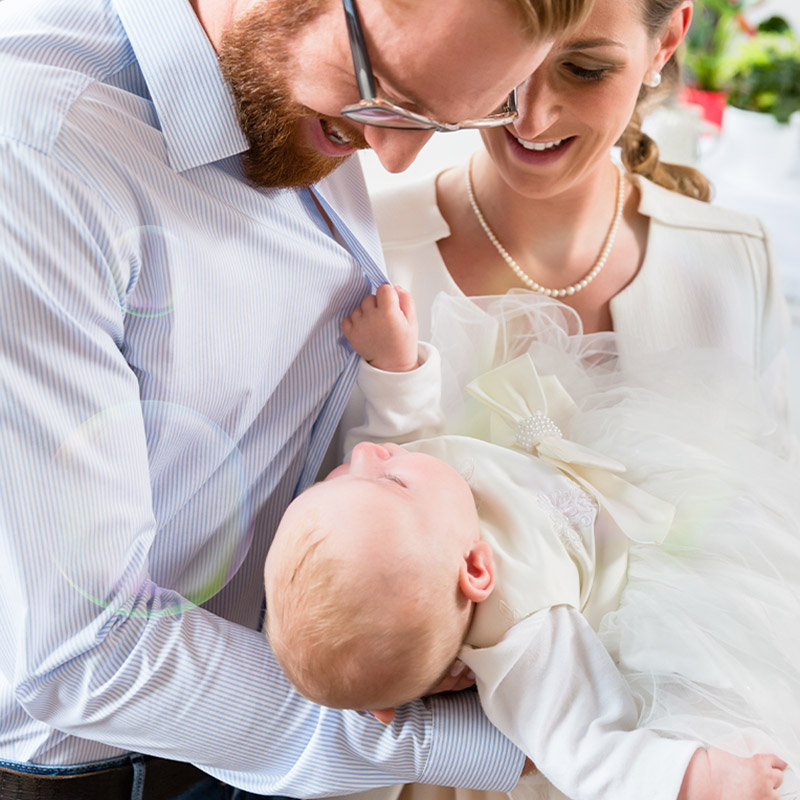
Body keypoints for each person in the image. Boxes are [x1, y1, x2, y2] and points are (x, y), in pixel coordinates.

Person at [0, 0, 594, 797]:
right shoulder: (39, 158)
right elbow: (81, 652)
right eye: (385, 92)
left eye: (449, 119)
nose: (388, 157)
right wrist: (513, 739)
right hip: (115, 765)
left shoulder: (298, 98)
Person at [272, 284, 800, 800]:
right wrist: (695, 780)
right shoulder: (524, 634)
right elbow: (582, 749)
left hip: (605, 483)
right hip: (654, 575)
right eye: (390, 481)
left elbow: (401, 435)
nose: (370, 457)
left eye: (334, 479)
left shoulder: (415, 530)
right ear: (477, 569)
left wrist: (394, 366)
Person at [345, 0, 795, 447]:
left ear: (666, 42)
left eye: (584, 69)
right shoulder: (366, 255)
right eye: (507, 56)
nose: (531, 118)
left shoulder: (737, 259)